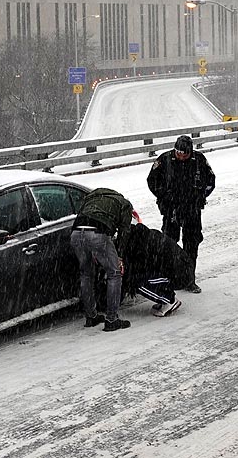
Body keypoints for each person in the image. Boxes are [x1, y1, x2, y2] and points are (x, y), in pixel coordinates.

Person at [147, 135, 215, 293]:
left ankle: (189, 279)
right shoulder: (164, 160)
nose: (181, 156)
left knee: (192, 244)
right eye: (178, 153)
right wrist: (164, 196)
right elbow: (152, 181)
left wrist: (200, 196)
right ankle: (168, 278)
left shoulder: (198, 160)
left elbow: (211, 180)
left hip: (192, 208)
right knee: (168, 244)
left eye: (184, 154)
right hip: (172, 208)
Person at [70, 187, 135, 332]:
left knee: (86, 274)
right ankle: (112, 319)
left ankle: (91, 316)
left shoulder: (90, 198)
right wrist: (119, 256)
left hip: (76, 234)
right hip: (98, 233)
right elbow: (125, 231)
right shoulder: (124, 204)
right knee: (114, 274)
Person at [121, 222, 192, 317]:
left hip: (180, 275)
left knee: (137, 282)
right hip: (183, 268)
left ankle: (170, 301)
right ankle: (165, 295)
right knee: (144, 276)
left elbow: (141, 268)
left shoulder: (142, 247)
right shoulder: (148, 235)